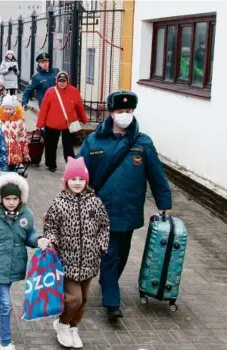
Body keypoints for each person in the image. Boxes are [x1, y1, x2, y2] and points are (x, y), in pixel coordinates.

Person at [78, 90, 172, 321]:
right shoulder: (95, 140)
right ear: (110, 113)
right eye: (120, 111)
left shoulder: (142, 142)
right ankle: (112, 302)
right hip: (101, 209)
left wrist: (164, 203)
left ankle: (108, 282)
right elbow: (78, 172)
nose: (125, 115)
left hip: (129, 209)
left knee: (122, 254)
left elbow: (157, 176)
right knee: (109, 254)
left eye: (128, 111)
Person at [0, 172, 51, 350]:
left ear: (21, 198)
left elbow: (29, 235)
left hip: (14, 263)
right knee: (5, 303)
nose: (11, 202)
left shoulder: (26, 214)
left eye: (15, 198)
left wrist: (39, 240)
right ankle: (5, 343)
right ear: (0, 198)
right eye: (7, 198)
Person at [43, 156, 110, 348]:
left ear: (86, 180)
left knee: (84, 300)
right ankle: (62, 324)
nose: (77, 183)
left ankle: (73, 327)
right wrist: (52, 244)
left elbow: (105, 226)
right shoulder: (59, 203)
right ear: (66, 181)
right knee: (74, 298)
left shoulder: (95, 203)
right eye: (73, 179)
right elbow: (50, 228)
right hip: (67, 261)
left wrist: (100, 246)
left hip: (89, 260)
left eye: (81, 179)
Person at [36, 71, 88, 172]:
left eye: (64, 81)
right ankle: (51, 164)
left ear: (67, 81)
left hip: (69, 124)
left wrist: (84, 119)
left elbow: (79, 106)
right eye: (60, 81)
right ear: (57, 81)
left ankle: (71, 164)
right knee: (51, 145)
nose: (62, 83)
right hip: (52, 124)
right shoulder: (50, 92)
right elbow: (44, 109)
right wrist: (40, 124)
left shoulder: (74, 91)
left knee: (68, 147)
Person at [0, 95, 30, 171]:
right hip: (1, 151)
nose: (8, 111)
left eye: (10, 109)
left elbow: (23, 137)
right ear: (2, 108)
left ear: (14, 108)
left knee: (11, 172)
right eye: (6, 109)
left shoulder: (20, 120)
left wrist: (25, 152)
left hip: (14, 153)